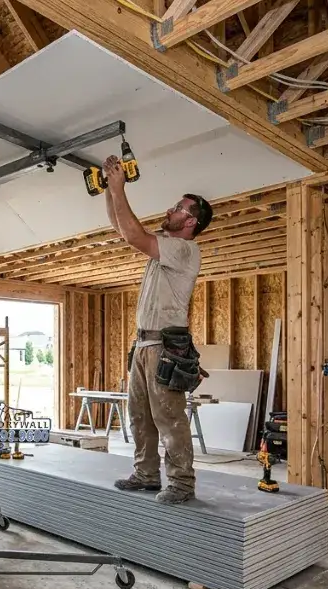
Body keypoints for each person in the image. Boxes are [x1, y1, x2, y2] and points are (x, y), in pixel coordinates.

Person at [100, 154, 212, 505]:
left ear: (190, 221)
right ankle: (147, 474)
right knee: (140, 415)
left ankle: (181, 483)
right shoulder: (162, 251)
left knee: (169, 417)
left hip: (166, 346)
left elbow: (133, 234)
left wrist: (118, 187)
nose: (171, 209)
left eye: (178, 208)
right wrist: (109, 188)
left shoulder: (184, 250)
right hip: (144, 345)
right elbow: (123, 229)